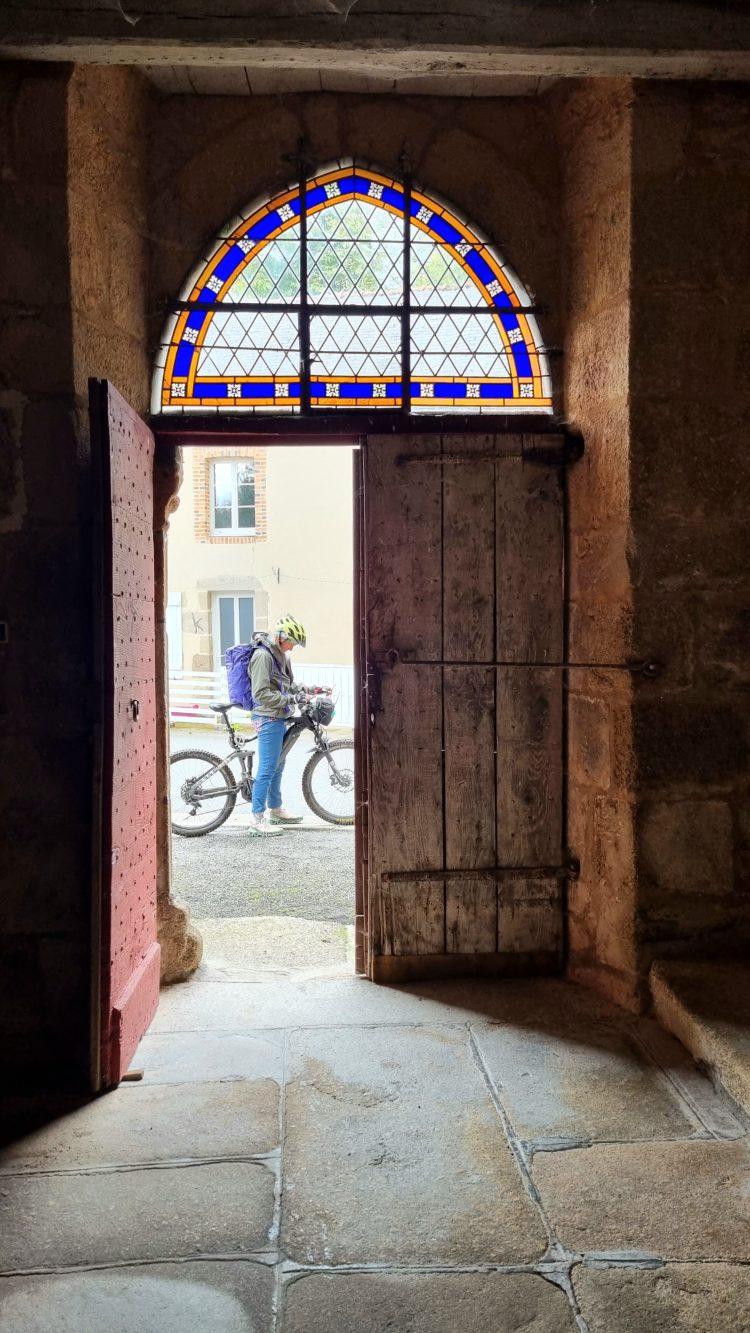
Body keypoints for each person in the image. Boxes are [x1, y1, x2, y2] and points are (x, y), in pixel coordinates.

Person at [248, 614, 307, 836]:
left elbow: (289, 686)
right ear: (281, 636)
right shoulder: (262, 656)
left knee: (278, 765)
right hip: (267, 716)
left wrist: (308, 691)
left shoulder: (281, 655)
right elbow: (260, 694)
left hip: (279, 715)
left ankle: (275, 809)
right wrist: (289, 700)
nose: (292, 647)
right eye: (292, 642)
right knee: (267, 767)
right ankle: (256, 819)